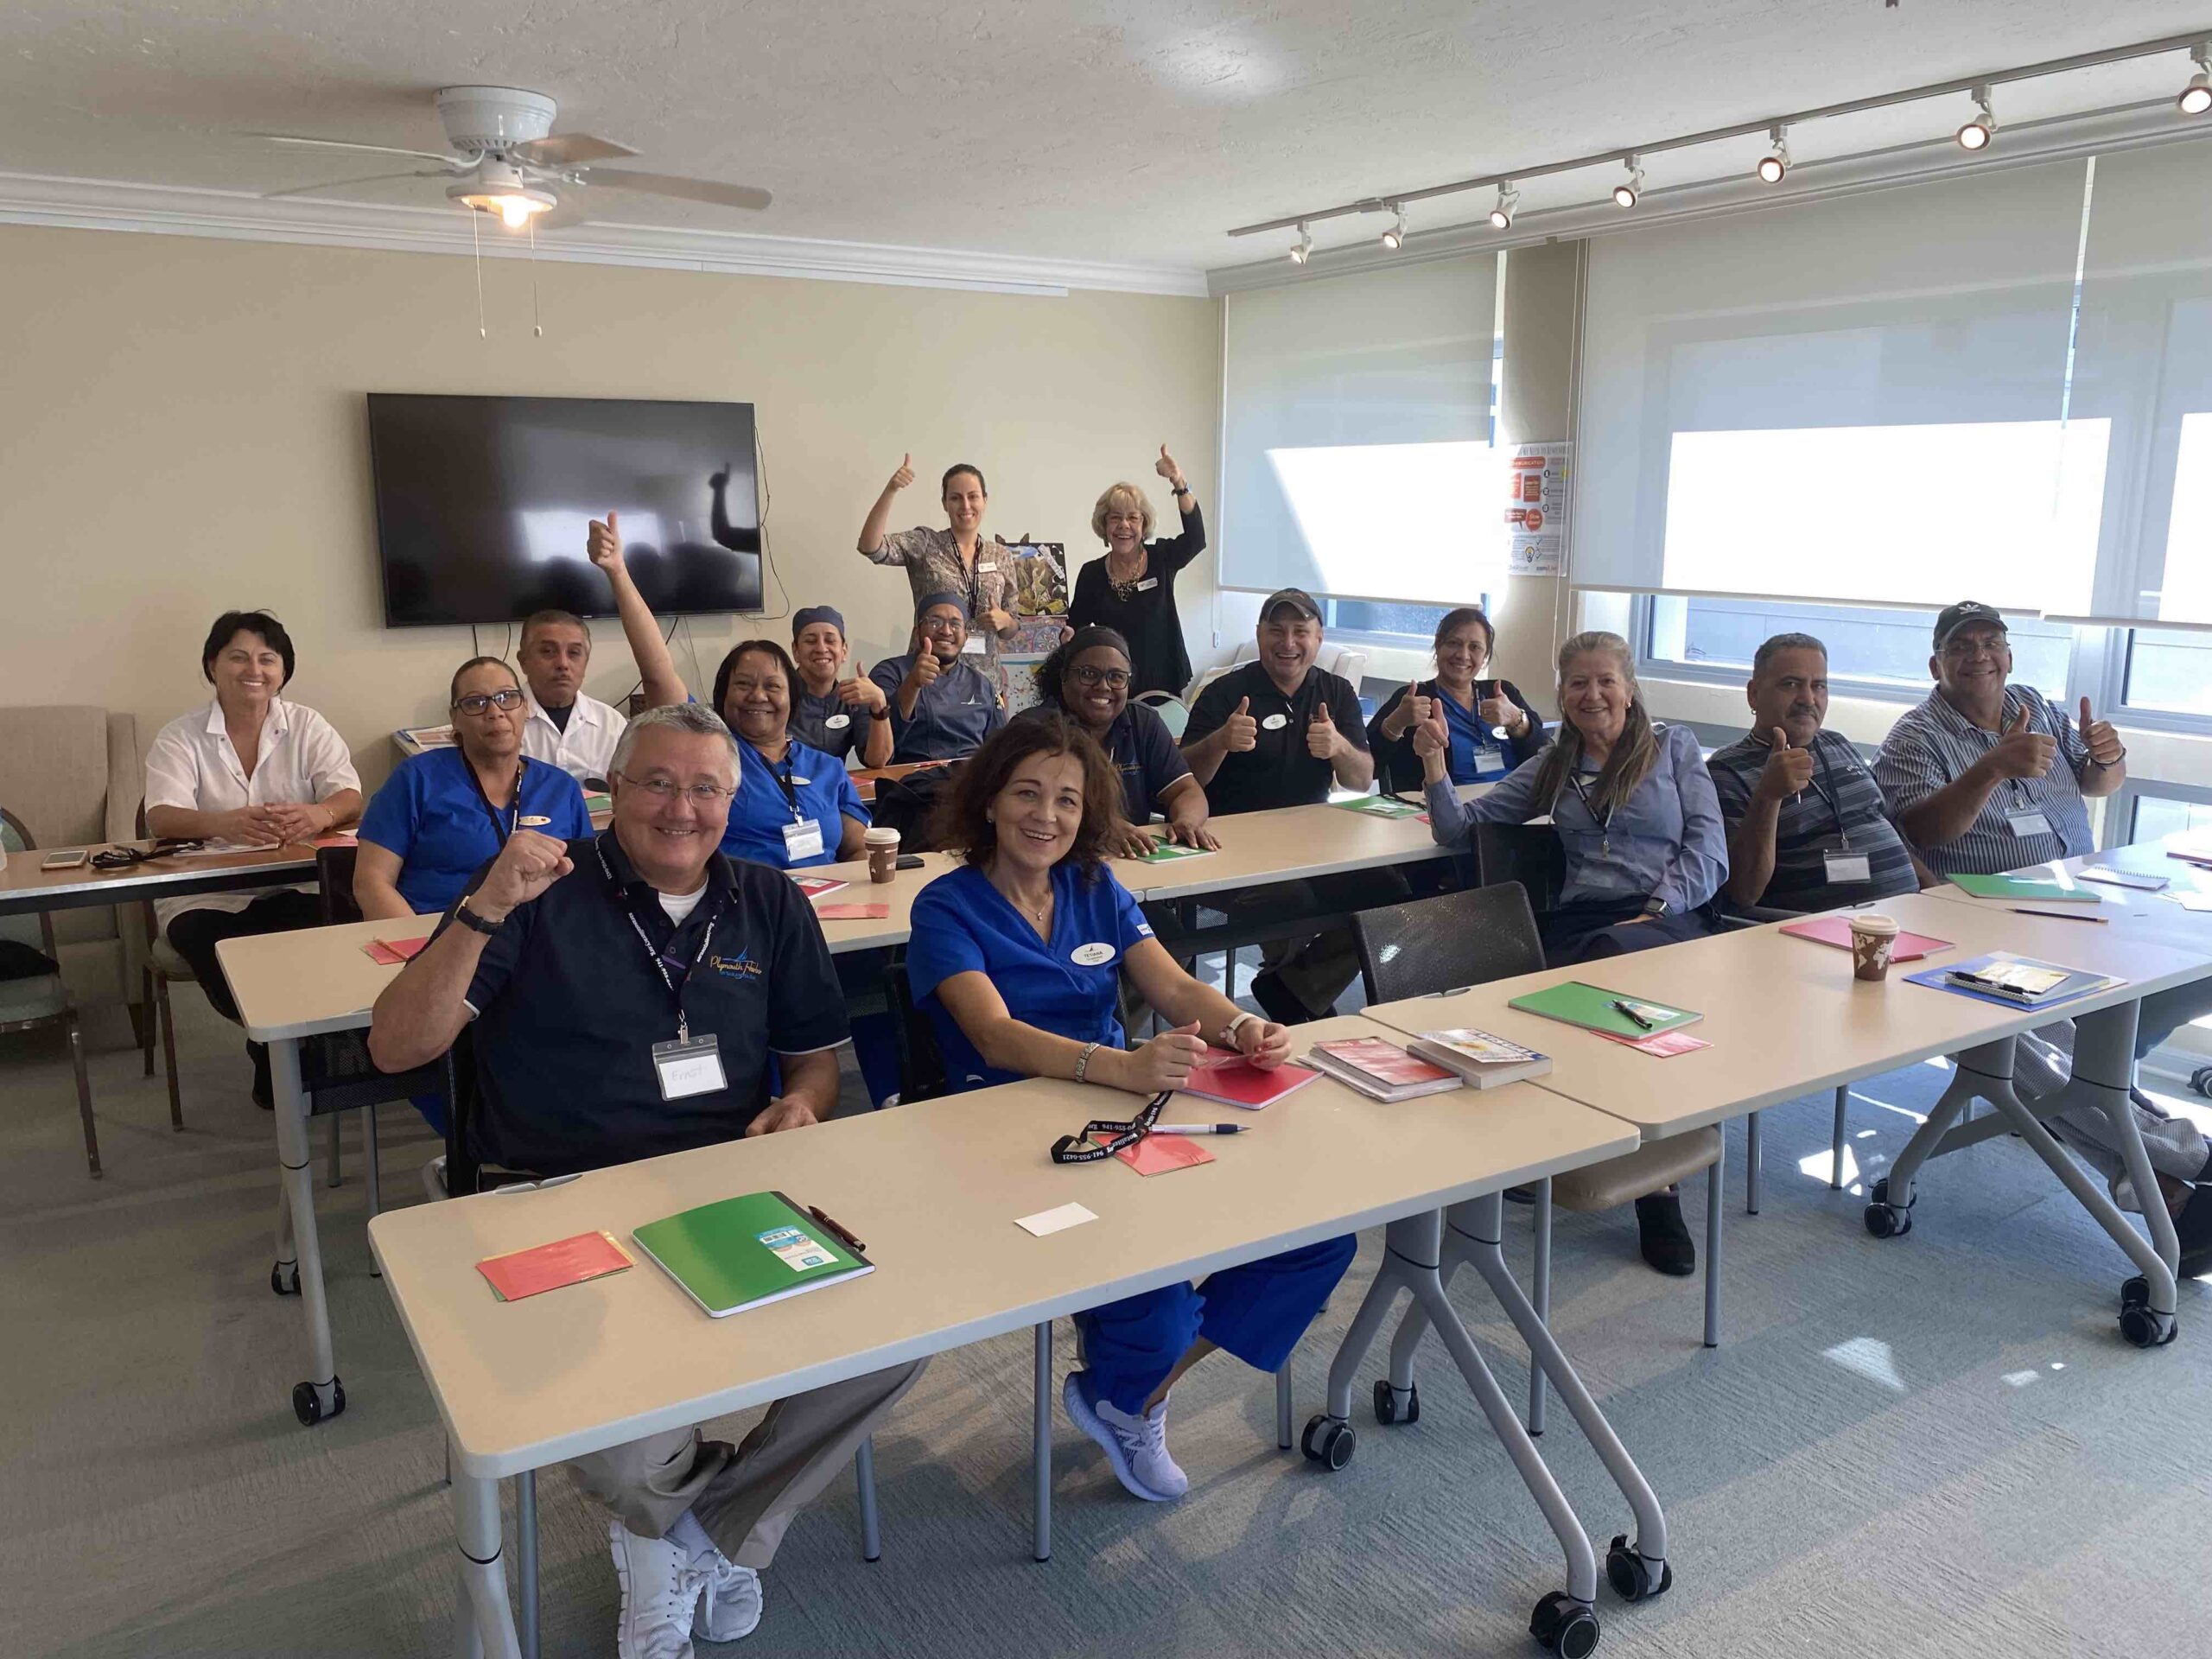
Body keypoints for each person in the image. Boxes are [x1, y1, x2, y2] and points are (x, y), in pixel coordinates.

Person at [366, 703, 922, 1658]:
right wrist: (483, 905)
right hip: (550, 1197)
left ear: (731, 801)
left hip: (724, 1188)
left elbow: (815, 1062)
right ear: (610, 791)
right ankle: (703, 1535)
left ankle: (686, 1539)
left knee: (900, 1333)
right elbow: (395, 1045)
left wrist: (801, 1106)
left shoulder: (768, 899)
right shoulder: (534, 887)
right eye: (658, 782)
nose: (682, 808)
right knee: (628, 1449)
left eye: (706, 787)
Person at [904, 715, 1354, 1502]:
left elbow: (1174, 988)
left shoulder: (1093, 886)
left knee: (1318, 1236)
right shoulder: (946, 906)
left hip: (1122, 1117)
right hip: (1005, 1135)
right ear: (989, 802)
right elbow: (996, 1036)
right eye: (1027, 794)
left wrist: (1243, 1026)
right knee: (1157, 1293)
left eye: (1068, 801)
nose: (1047, 816)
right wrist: (1123, 1068)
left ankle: (1133, 1392)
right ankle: (1132, 1365)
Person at [1874, 601, 2209, 1269]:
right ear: (1936, 663)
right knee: (2030, 1032)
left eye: (1992, 642)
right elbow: (1919, 834)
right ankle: (2179, 1173)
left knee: (2169, 969)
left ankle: (2172, 1170)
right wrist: (1991, 766)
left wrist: (2111, 760)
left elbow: (2096, 782)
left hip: (2079, 902)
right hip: (1982, 921)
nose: (1980, 655)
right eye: (1961, 645)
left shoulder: (2036, 703)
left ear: (2010, 654)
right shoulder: (1916, 736)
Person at [1421, 631, 1727, 1277]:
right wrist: (1434, 766)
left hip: (1665, 916)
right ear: (1562, 693)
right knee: (1527, 995)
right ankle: (1556, 1147)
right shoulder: (1554, 763)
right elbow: (1459, 828)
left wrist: (1662, 906)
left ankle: (1657, 1189)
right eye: (1578, 684)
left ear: (1630, 687)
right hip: (1585, 921)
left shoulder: (1674, 748)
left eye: (1605, 681)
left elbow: (1708, 846)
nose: (1593, 695)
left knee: (1614, 980)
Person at [144, 610, 362, 1108]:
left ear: (283, 670)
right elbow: (161, 816)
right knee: (220, 948)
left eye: (268, 659)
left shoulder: (308, 724)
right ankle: (274, 1044)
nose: (254, 670)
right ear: (212, 665)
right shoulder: (180, 735)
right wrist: (223, 823)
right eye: (238, 657)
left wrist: (318, 813)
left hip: (294, 881)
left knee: (329, 930)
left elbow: (349, 795)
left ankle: (298, 1049)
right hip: (207, 892)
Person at [1180, 588, 1390, 1023]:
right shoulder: (1225, 692)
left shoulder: (1336, 691)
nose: (1288, 643)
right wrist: (1220, 742)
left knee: (1391, 891)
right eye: (1276, 630)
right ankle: (1296, 993)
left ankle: (1296, 989)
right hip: (1231, 854)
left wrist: (1338, 748)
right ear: (1259, 635)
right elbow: (1182, 779)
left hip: (1314, 847)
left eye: (1301, 631)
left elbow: (1360, 778)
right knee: (1291, 897)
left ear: (1318, 638)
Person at [353, 658, 592, 919]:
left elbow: (586, 883)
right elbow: (371, 884)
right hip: (437, 938)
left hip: (538, 943)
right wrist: (424, 954)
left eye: (507, 697)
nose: (495, 712)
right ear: (454, 719)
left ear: (525, 708)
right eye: (476, 703)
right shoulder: (416, 778)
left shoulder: (561, 787)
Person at [1706, 632, 1928, 912]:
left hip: (1905, 915)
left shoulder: (1837, 743)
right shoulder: (1725, 770)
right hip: (1818, 931)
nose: (1808, 699)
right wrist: (1768, 796)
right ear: (1754, 694)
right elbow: (1742, 892)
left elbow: (1879, 824)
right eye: (1791, 684)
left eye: (1818, 686)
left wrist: (1933, 894)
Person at [512, 512, 690, 785]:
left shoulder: (612, 725)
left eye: (574, 653)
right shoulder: (502, 721)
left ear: (586, 660)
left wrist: (616, 567)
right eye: (548, 651)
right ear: (523, 661)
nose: (562, 663)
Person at [1026, 626, 1216, 855]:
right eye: (1088, 674)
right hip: (1050, 859)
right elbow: (1029, 808)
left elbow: (1185, 790)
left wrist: (1187, 821)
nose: (1103, 686)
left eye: (1116, 677)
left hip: (1130, 860)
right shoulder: (1033, 728)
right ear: (1064, 677)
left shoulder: (1142, 722)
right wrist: (1103, 825)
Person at [709, 639, 871, 868]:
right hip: (748, 898)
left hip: (825, 897)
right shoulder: (710, 758)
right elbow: (660, 679)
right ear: (723, 695)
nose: (758, 696)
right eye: (743, 684)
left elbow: (859, 848)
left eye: (772, 686)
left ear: (792, 697)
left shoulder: (827, 767)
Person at [1065, 447, 1205, 697]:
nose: (1124, 526)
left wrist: (1179, 481)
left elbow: (1196, 539)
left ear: (1144, 524)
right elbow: (1075, 627)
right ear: (1104, 525)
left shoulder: (1162, 558)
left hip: (1164, 684)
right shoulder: (1092, 573)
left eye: (1133, 517)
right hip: (1113, 687)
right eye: (1115, 518)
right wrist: (1061, 635)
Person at [856, 457, 1020, 665]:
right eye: (956, 498)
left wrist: (1005, 621)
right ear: (945, 503)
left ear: (984, 500)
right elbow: (870, 547)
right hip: (930, 674)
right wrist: (891, 490)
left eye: (973, 497)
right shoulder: (926, 543)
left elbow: (1012, 627)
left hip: (982, 680)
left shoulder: (1001, 556)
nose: (966, 505)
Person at [1367, 607, 1548, 792]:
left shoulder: (1502, 692)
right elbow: (1367, 768)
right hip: (1446, 810)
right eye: (1454, 643)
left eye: (1475, 647)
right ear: (1438, 646)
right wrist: (1396, 723)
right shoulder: (1413, 698)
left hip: (1514, 804)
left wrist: (1517, 718)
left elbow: (1548, 757)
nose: (1463, 655)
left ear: (1485, 655)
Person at [868, 593, 1007, 763]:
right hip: (910, 782)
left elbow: (1000, 748)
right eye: (935, 622)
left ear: (966, 637)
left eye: (955, 625)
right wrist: (912, 684)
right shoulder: (889, 673)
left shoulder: (981, 684)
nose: (946, 631)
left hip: (971, 780)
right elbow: (877, 753)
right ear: (917, 632)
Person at [785, 605, 893, 768]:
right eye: (810, 641)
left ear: (843, 650)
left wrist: (879, 703)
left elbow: (877, 761)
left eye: (830, 640)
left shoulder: (853, 698)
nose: (821, 648)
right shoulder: (778, 695)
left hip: (834, 789)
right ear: (796, 651)